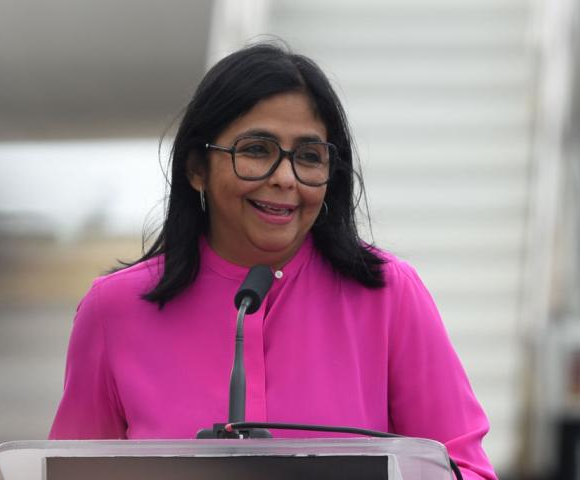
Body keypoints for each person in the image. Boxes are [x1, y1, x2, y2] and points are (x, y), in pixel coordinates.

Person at [49, 43, 497, 480]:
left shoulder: (389, 294)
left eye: (309, 157)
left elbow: (468, 469)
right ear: (197, 167)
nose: (285, 178)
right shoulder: (114, 310)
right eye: (257, 150)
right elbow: (70, 472)